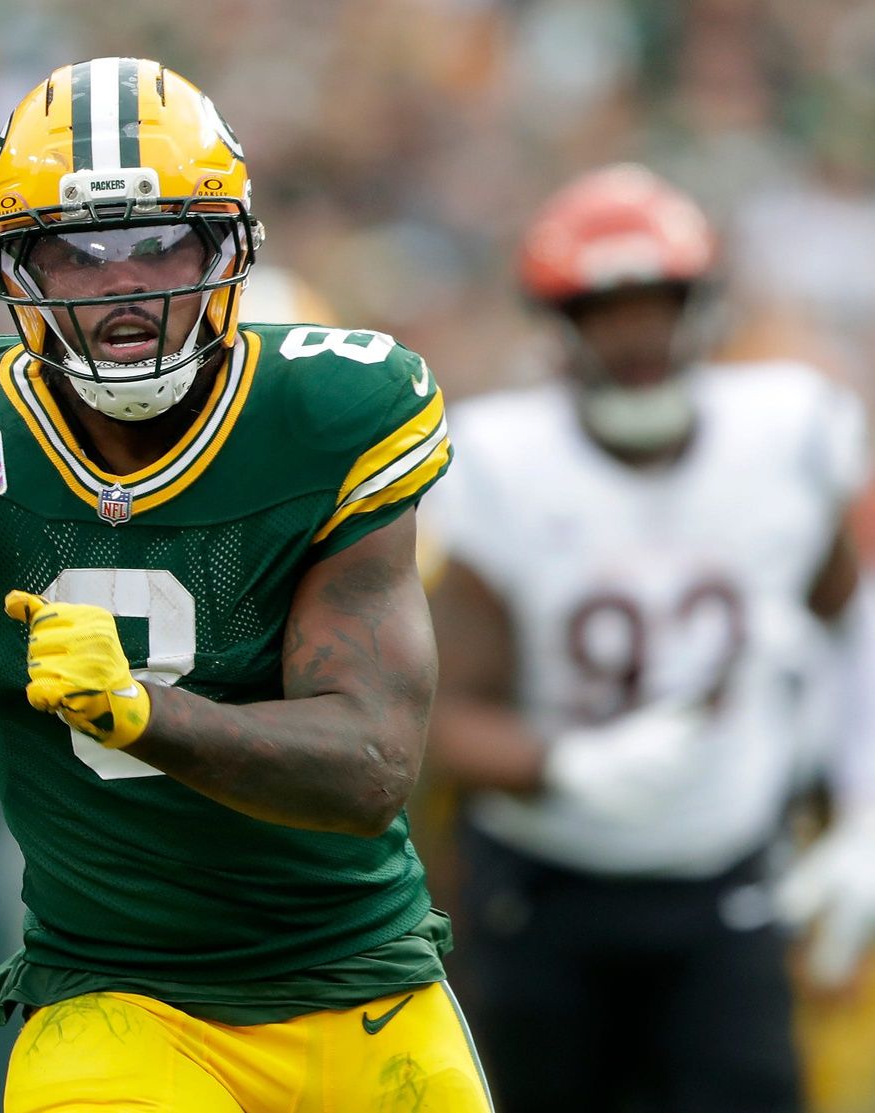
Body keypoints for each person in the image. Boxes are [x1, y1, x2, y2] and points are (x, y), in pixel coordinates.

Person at [0, 56, 493, 1112]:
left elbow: (370, 764)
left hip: (361, 988)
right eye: (77, 253)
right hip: (116, 997)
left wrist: (144, 713)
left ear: (226, 244)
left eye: (158, 242)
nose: (124, 286)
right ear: (20, 271)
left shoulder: (328, 417)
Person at [422, 162, 875, 1113]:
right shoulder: (503, 462)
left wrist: (865, 809)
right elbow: (442, 710)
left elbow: (853, 628)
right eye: (606, 307)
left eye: (657, 302)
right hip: (545, 886)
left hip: (728, 876)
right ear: (559, 323)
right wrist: (569, 764)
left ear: (701, 306)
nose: (637, 334)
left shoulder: (788, 433)